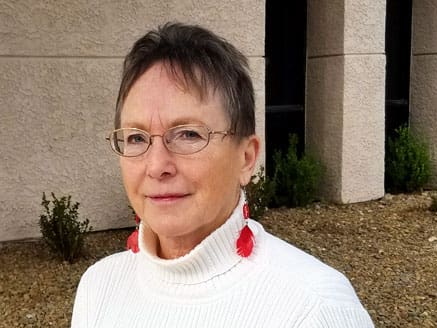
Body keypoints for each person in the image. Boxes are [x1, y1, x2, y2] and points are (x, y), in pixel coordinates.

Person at [71, 22, 374, 327]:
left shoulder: (314, 308)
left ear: (246, 158)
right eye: (137, 137)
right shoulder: (99, 286)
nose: (156, 165)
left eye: (188, 134)